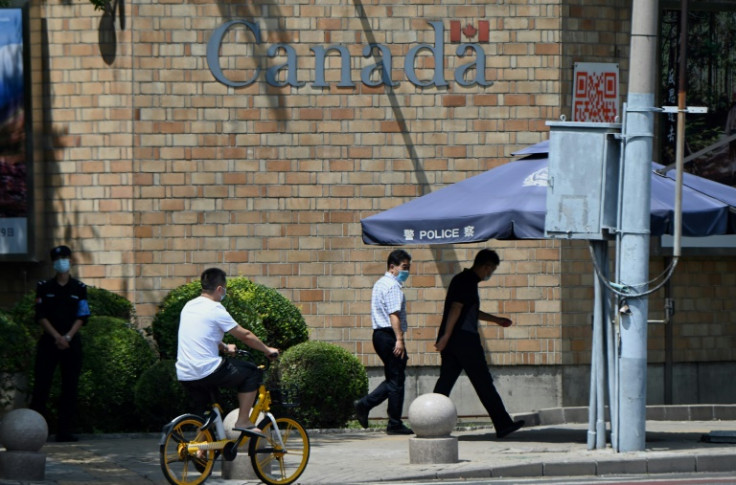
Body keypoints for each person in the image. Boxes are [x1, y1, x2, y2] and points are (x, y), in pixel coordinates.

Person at [176, 268, 279, 436]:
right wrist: (267, 350)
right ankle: (243, 421)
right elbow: (244, 335)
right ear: (219, 289)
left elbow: (203, 336)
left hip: (185, 373)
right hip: (206, 370)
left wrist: (224, 347)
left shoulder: (189, 306)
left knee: (209, 412)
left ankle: (201, 449)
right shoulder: (215, 309)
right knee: (251, 372)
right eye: (224, 288)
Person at [433, 249, 525, 439]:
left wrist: (497, 320)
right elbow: (456, 309)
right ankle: (503, 424)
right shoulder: (466, 281)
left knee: (445, 382)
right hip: (464, 340)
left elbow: (471, 311)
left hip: (454, 341)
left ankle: (430, 420)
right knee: (483, 382)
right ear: (486, 266)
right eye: (491, 270)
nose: (490, 274)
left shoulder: (465, 280)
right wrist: (446, 336)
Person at [30, 245, 90, 442]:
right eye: (57, 258)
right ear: (53, 263)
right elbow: (40, 315)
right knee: (41, 386)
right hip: (49, 342)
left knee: (70, 387)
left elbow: (82, 315)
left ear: (71, 261)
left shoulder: (79, 289)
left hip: (71, 343)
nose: (61, 262)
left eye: (64, 258)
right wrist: (57, 336)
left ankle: (65, 431)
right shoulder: (44, 287)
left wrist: (68, 337)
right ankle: (36, 430)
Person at [354, 249, 413, 435]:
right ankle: (391, 421)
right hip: (389, 335)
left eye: (408, 268)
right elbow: (393, 314)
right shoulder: (392, 286)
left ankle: (367, 407)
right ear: (392, 267)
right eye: (404, 267)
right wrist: (400, 340)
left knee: (394, 378)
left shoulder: (380, 283)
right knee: (396, 380)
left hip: (380, 335)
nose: (406, 271)